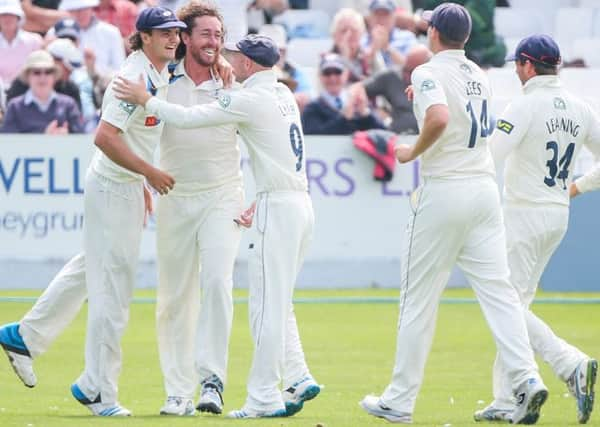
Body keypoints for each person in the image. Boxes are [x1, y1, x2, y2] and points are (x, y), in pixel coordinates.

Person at [358, 4, 548, 425]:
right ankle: (527, 378)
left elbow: (440, 118)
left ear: (434, 34)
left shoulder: (427, 72)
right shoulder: (478, 73)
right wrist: (424, 97)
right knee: (500, 295)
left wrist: (411, 150)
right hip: (484, 191)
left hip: (446, 188)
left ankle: (399, 400)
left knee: (417, 300)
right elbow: (454, 110)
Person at [113, 33, 321, 419]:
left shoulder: (247, 98)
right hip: (296, 200)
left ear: (248, 65)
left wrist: (146, 99)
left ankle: (263, 397)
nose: (231, 60)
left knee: (264, 306)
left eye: (237, 56)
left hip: (278, 207)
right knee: (278, 301)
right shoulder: (285, 95)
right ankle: (298, 375)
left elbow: (189, 117)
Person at [0, 6, 182, 416]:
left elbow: (136, 137)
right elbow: (104, 137)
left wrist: (140, 179)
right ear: (145, 37)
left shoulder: (158, 72)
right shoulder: (132, 77)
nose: (173, 38)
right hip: (112, 187)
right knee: (112, 292)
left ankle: (24, 336)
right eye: (165, 32)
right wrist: (149, 172)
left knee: (92, 268)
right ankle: (100, 390)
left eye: (177, 32)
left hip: (124, 186)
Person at [475, 34, 599, 424]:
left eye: (518, 64)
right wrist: (577, 186)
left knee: (504, 304)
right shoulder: (581, 108)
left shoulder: (525, 104)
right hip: (557, 214)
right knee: (517, 301)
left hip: (522, 214)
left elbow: (490, 157)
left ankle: (569, 363)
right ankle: (508, 397)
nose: (516, 70)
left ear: (529, 66)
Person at [152, 1, 244, 417]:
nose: (214, 42)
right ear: (185, 38)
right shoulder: (160, 78)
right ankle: (177, 390)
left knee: (217, 284)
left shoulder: (232, 81)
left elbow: (259, 134)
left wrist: (259, 194)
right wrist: (140, 178)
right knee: (174, 297)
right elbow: (139, 130)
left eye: (219, 36)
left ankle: (212, 381)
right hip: (174, 196)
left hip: (223, 193)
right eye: (205, 34)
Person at [0, 49, 83, 133]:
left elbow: (80, 138)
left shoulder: (68, 105)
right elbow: (8, 143)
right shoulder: (15, 107)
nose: (42, 77)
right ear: (28, 76)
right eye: (37, 72)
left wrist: (67, 137)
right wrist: (45, 136)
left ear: (54, 76)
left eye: (48, 72)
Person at [302, 53, 384, 135]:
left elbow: (383, 134)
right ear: (320, 76)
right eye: (327, 73)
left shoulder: (358, 102)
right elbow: (312, 137)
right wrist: (345, 118)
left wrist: (365, 114)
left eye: (337, 72)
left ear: (346, 74)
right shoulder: (313, 108)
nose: (332, 77)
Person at [359, 43, 431, 134]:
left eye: (412, 71)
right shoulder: (392, 77)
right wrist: (373, 111)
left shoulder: (438, 82)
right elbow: (359, 89)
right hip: (399, 137)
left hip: (428, 139)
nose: (406, 75)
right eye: (405, 69)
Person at [361, 0, 417, 69]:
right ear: (370, 18)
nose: (381, 19)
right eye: (377, 14)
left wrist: (387, 47)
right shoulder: (362, 39)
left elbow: (410, 68)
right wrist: (374, 48)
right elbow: (360, 69)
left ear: (393, 17)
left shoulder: (407, 37)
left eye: (385, 14)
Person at [0, 0, 43, 85]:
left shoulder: (34, 41)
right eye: (3, 15)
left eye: (12, 15)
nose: (7, 19)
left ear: (18, 17)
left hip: (26, 90)